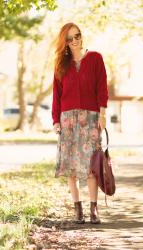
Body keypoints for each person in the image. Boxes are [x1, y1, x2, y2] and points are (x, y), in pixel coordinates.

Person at [52, 22, 108, 224]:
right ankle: (78, 210)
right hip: (67, 121)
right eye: (70, 39)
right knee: (71, 168)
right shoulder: (60, 65)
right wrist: (55, 120)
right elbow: (56, 95)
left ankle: (94, 210)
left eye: (77, 36)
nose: (75, 40)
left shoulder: (95, 58)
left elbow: (102, 87)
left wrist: (102, 114)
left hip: (90, 118)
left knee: (91, 167)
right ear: (64, 43)